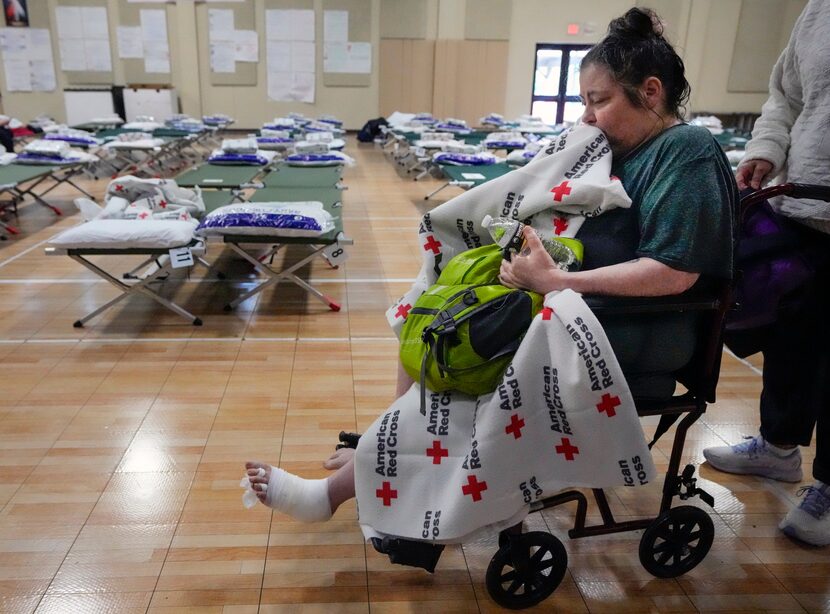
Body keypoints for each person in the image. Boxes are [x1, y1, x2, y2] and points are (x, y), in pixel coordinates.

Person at [245, 7, 736, 534]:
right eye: (585, 103)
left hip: (642, 326)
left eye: (599, 101)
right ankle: (385, 445)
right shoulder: (621, 147)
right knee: (436, 298)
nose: (588, 117)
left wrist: (558, 281)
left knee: (470, 348)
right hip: (583, 303)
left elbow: (674, 273)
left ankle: (334, 494)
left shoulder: (685, 151)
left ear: (652, 92)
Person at [702, 0, 830, 547]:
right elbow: (787, 95)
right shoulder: (817, 11)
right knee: (790, 335)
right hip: (802, 207)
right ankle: (779, 448)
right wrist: (767, 149)